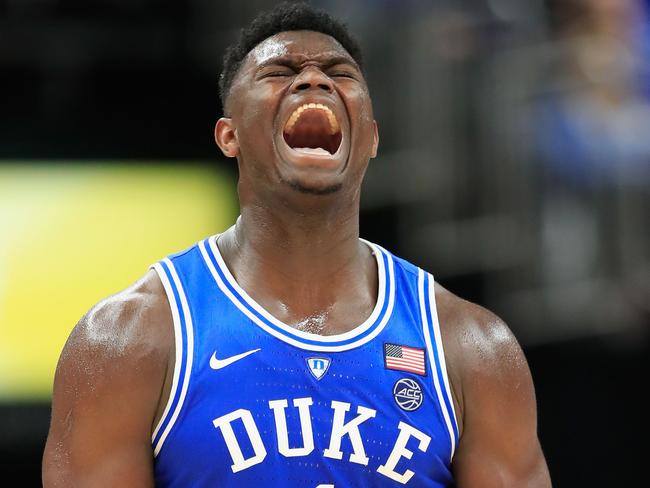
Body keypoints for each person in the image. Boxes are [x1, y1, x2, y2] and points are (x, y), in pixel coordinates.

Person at [42, 3, 551, 487]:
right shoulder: (130, 339)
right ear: (229, 135)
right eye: (279, 72)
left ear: (371, 138)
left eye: (341, 73)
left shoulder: (472, 347)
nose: (314, 79)